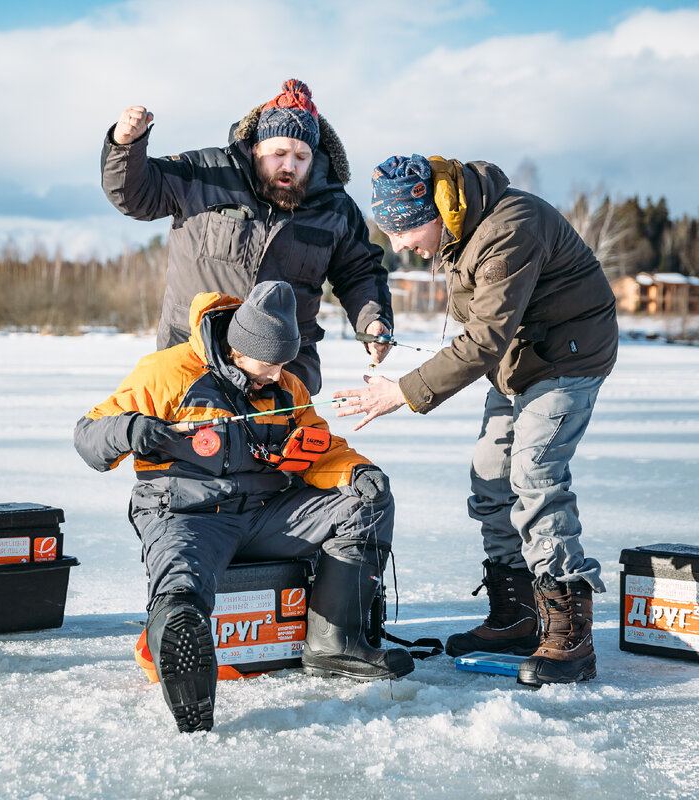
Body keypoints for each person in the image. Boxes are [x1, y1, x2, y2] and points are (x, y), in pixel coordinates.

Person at [74, 280, 412, 733]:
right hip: (187, 514)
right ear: (239, 346)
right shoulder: (167, 372)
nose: (276, 374)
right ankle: (185, 662)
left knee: (364, 502)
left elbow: (322, 450)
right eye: (269, 364)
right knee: (181, 592)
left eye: (283, 363)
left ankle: (336, 644)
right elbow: (88, 436)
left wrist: (357, 471)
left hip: (266, 512)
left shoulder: (288, 388)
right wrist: (129, 430)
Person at [334, 155, 618, 687]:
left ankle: (571, 632)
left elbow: (484, 338)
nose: (398, 246)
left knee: (535, 475)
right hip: (520, 361)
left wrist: (403, 392)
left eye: (401, 229)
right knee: (490, 477)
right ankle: (517, 615)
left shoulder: (510, 227)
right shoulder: (458, 228)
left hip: (568, 358)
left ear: (434, 208)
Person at [100, 78, 394, 396]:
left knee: (286, 446)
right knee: (180, 444)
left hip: (282, 370)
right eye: (278, 153)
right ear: (255, 148)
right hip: (193, 357)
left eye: (301, 157)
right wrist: (126, 146)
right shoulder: (204, 174)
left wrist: (372, 320)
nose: (289, 166)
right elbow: (134, 196)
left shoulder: (335, 208)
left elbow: (360, 273)